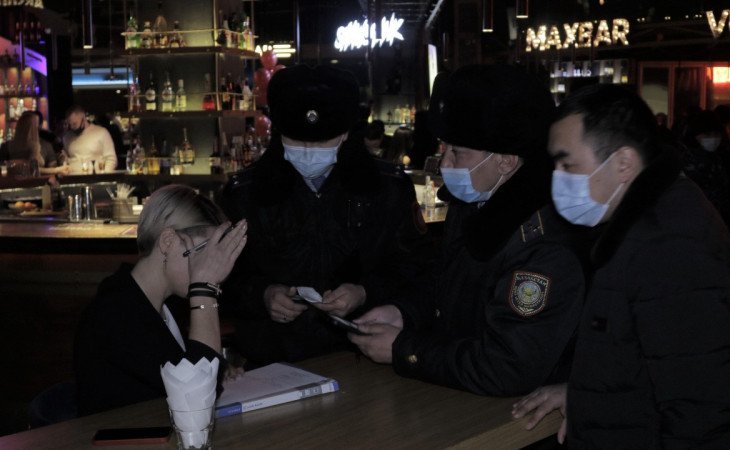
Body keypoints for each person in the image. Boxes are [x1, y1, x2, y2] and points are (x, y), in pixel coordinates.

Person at [512, 84, 730, 447]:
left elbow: (701, 409)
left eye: (568, 164)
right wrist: (585, 394)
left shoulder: (671, 245)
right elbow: (645, 363)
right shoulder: (646, 223)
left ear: (624, 163)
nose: (558, 179)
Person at [348, 65, 587, 396]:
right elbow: (447, 287)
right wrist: (403, 313)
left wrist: (404, 349)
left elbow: (508, 365)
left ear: (505, 161)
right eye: (444, 148)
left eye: (458, 152)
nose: (445, 163)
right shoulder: (476, 205)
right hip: (458, 394)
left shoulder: (542, 244)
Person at [221, 64, 430, 367]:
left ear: (345, 133)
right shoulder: (246, 192)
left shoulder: (386, 188)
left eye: (321, 142)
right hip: (273, 361)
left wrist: (364, 292)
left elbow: (417, 269)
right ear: (279, 133)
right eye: (296, 141)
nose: (308, 152)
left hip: (362, 355)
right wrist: (264, 295)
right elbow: (222, 280)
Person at [74, 185, 247, 416]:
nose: (212, 263)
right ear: (167, 241)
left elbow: (182, 369)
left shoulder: (164, 305)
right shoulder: (116, 313)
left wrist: (219, 367)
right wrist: (205, 288)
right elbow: (196, 398)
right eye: (205, 251)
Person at [680, 109, 730, 226]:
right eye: (707, 135)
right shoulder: (688, 160)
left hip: (716, 221)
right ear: (696, 135)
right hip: (695, 221)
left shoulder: (718, 158)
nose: (713, 139)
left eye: (716, 135)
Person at [0, 111, 68, 175]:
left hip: (15, 182)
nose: (38, 127)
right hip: (33, 182)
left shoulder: (45, 145)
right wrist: (57, 170)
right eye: (35, 125)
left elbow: (52, 167)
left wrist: (60, 162)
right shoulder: (35, 146)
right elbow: (33, 169)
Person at [62, 105, 117, 173]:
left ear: (83, 117)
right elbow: (65, 160)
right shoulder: (67, 137)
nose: (72, 127)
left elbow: (111, 159)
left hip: (97, 176)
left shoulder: (101, 132)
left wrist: (104, 175)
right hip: (73, 177)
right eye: (70, 124)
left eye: (74, 124)